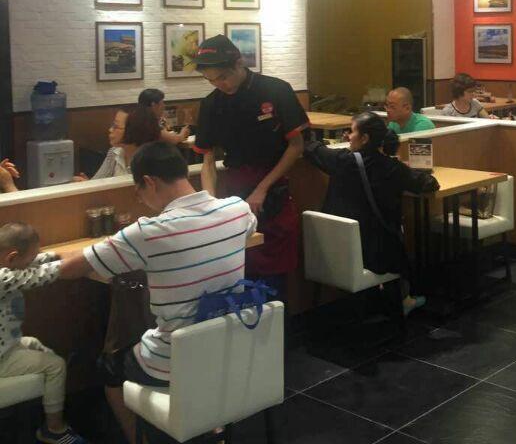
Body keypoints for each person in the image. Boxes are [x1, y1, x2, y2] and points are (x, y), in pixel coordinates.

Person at [58, 142, 257, 444]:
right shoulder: (236, 209)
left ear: (149, 182)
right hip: (230, 348)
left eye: (138, 191)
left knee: (109, 366)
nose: (139, 200)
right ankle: (210, 425)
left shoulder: (148, 232)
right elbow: (248, 228)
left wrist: (49, 258)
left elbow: (72, 267)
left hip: (174, 361)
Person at [192, 34, 308, 299]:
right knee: (241, 276)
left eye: (222, 77)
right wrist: (210, 205)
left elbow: (296, 146)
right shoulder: (211, 104)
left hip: (274, 190)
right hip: (235, 195)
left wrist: (262, 189)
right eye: (211, 80)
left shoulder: (276, 90)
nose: (219, 85)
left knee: (275, 281)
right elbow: (207, 161)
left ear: (239, 63)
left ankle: (279, 322)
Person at [304, 112, 439, 315]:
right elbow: (430, 184)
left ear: (364, 138)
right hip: (376, 257)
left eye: (351, 131)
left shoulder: (341, 161)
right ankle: (403, 300)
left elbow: (311, 148)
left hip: (331, 252)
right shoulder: (392, 168)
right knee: (394, 238)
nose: (347, 136)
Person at [0, 223, 87, 444]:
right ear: (11, 258)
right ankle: (54, 429)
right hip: (1, 356)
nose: (31, 262)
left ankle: (47, 400)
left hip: (7, 343)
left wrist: (55, 254)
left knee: (35, 344)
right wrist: (73, 262)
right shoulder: (3, 278)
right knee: (56, 366)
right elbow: (38, 275)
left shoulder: (6, 264)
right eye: (28, 260)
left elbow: (29, 264)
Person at [75, 107, 161, 181]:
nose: (110, 130)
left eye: (115, 126)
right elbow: (98, 181)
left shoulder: (151, 161)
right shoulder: (114, 152)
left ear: (133, 131)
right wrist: (87, 183)